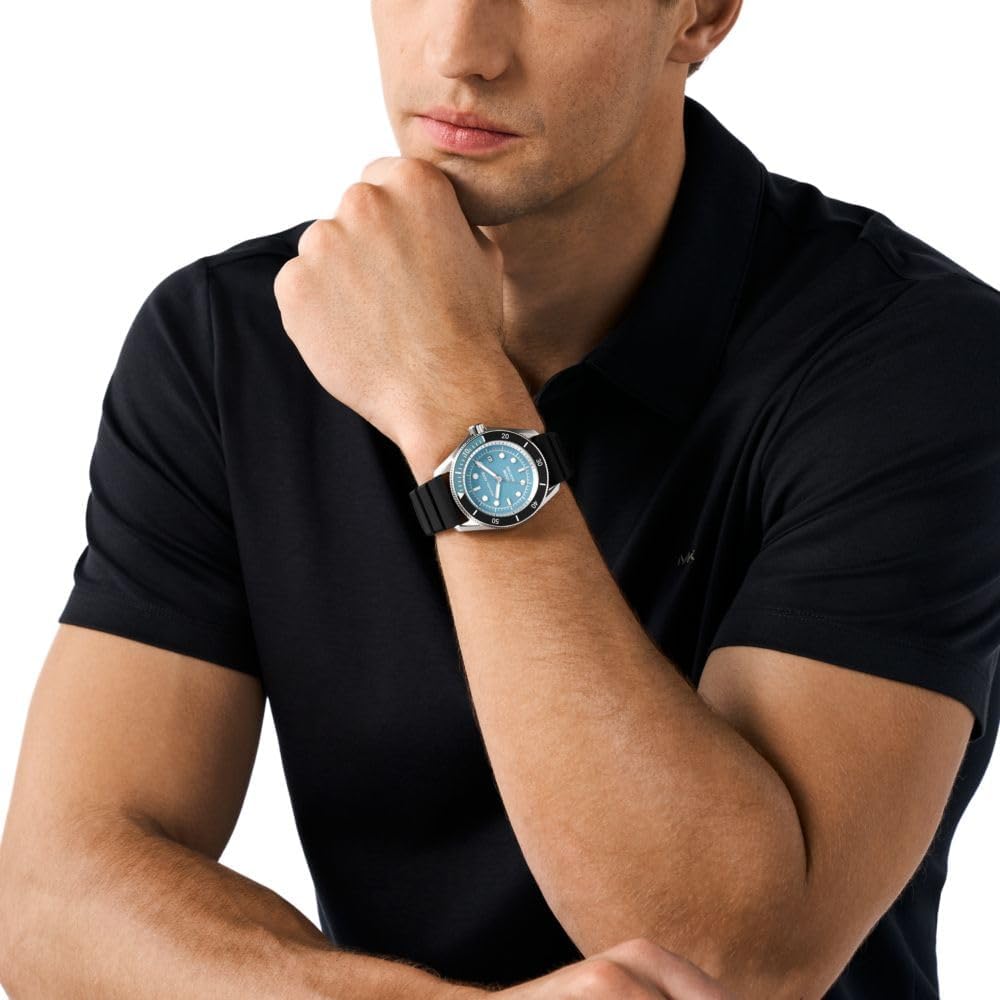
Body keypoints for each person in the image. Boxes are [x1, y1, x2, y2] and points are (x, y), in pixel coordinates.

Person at [1, 0, 997, 997]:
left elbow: (734, 962)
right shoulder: (230, 340)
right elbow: (50, 899)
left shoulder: (916, 361)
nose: (458, 51)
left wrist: (452, 402)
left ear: (699, 15)